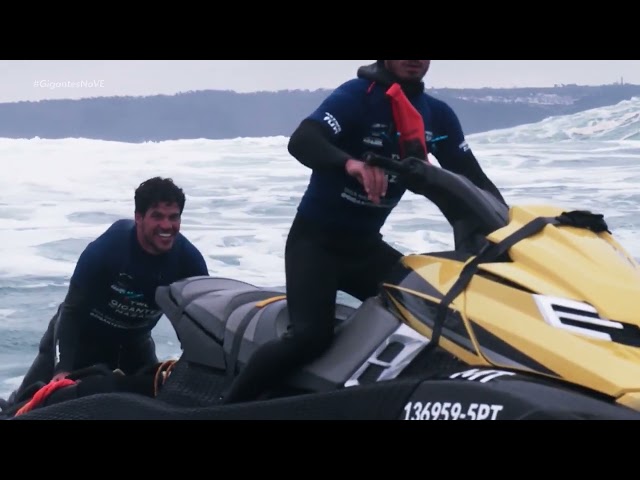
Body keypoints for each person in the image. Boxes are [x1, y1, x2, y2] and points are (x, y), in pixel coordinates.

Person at [221, 60, 506, 403]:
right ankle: (229, 406)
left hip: (365, 249)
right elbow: (303, 140)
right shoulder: (359, 96)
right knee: (309, 338)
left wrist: (513, 226)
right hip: (316, 244)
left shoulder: (437, 116)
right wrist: (350, 163)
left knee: (439, 316)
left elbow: (472, 178)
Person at [4, 176, 210, 407]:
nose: (166, 226)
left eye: (173, 217)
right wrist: (62, 370)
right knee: (24, 407)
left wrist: (197, 367)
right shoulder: (108, 250)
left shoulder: (188, 261)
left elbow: (198, 326)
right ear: (138, 217)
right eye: (157, 216)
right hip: (79, 341)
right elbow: (71, 312)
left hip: (134, 345)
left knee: (162, 403)